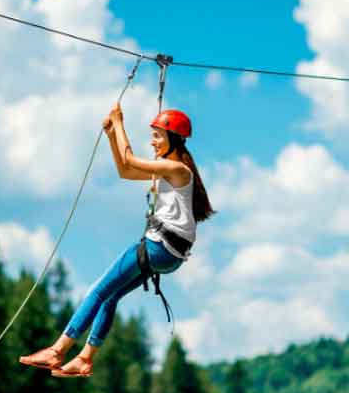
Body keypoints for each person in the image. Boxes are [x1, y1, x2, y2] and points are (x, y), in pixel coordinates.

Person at [19, 103, 215, 377]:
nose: (153, 140)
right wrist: (112, 135)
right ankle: (85, 358)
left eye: (158, 135)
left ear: (173, 138)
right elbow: (126, 170)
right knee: (110, 296)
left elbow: (132, 160)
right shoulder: (169, 169)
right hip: (170, 255)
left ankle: (58, 350)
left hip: (159, 248)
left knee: (98, 290)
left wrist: (119, 122)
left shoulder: (176, 168)